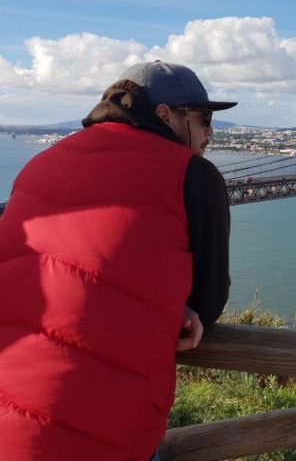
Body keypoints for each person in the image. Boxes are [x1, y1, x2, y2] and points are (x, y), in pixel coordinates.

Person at [0, 61, 235, 460]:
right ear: (165, 115)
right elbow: (209, 301)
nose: (211, 130)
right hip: (106, 424)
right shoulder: (194, 175)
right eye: (203, 117)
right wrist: (187, 309)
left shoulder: (41, 162)